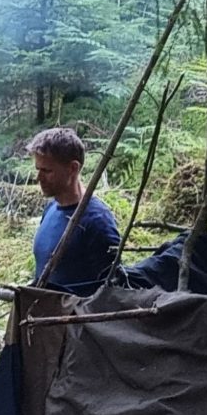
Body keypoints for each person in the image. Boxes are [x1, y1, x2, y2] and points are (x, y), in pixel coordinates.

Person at [28, 126, 121, 294]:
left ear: (73, 168)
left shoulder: (97, 221)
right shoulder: (50, 210)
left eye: (47, 171)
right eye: (37, 169)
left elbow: (111, 292)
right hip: (43, 316)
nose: (38, 178)